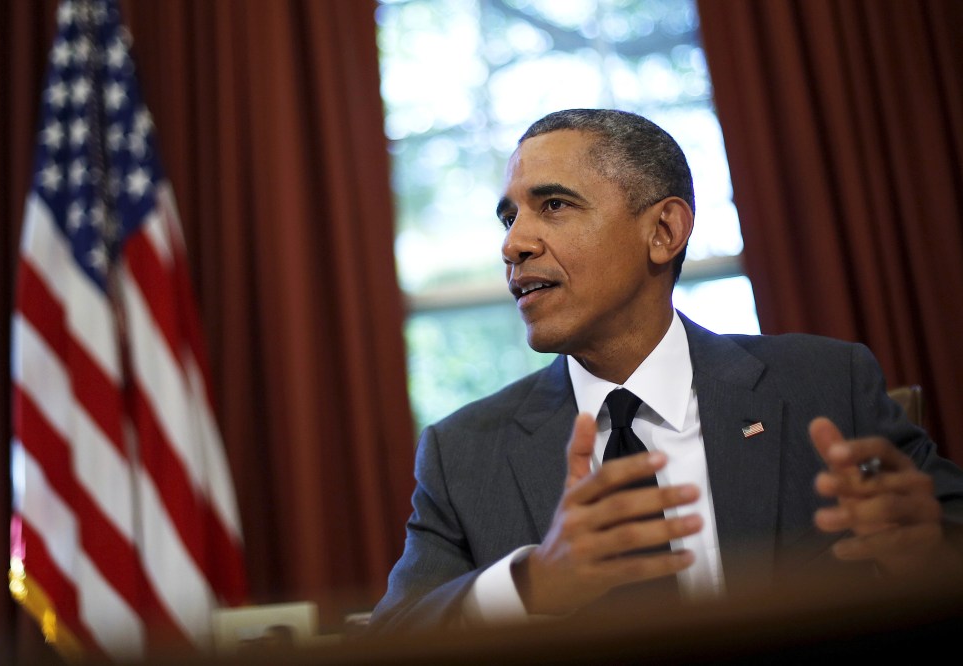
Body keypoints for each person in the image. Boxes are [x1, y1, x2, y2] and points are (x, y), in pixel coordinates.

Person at [369, 109, 963, 634]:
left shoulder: (826, 385)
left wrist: (926, 551)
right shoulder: (464, 453)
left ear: (664, 231)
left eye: (553, 205)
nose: (515, 243)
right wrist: (535, 584)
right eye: (509, 218)